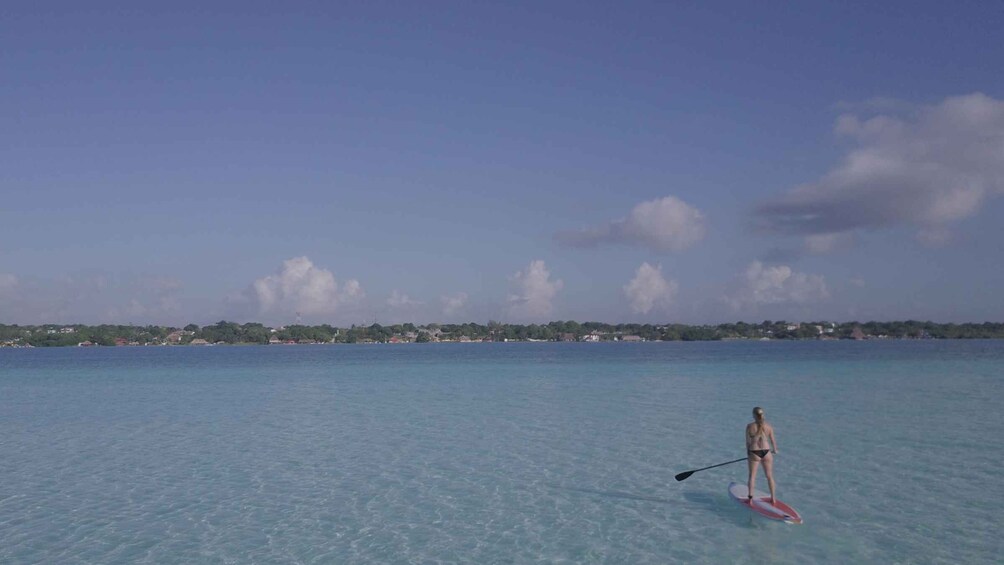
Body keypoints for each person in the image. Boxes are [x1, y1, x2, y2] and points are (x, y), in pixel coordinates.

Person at [746, 406, 778, 505]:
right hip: (767, 453)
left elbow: (747, 442)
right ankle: (773, 498)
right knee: (769, 476)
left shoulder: (749, 426)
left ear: (754, 415)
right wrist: (775, 450)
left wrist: (748, 453)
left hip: (754, 453)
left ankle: (750, 499)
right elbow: (773, 441)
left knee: (752, 477)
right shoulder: (769, 426)